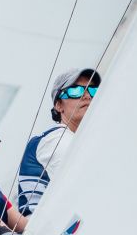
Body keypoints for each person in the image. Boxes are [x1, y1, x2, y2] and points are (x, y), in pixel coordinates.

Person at [17, 68, 101, 216]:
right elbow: (89, 184)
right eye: (76, 90)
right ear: (58, 105)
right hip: (42, 234)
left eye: (93, 91)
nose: (87, 96)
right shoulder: (54, 139)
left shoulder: (84, 141)